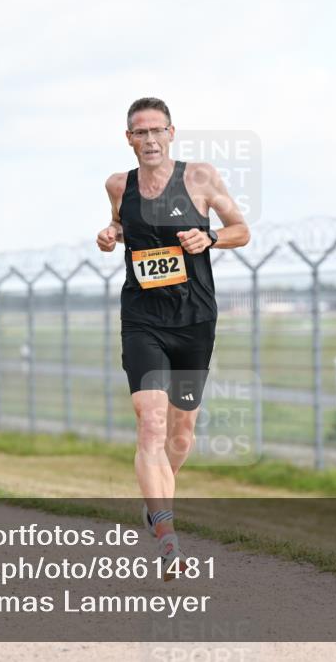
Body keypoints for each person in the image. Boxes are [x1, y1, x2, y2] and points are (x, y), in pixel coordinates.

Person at [96, 97, 250, 579]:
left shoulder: (199, 177)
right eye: (139, 133)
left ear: (171, 133)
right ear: (128, 139)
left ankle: (156, 497)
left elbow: (242, 229)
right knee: (151, 423)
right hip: (142, 316)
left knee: (181, 435)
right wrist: (110, 233)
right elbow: (126, 226)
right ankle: (167, 536)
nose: (149, 140)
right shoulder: (119, 185)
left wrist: (211, 239)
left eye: (156, 131)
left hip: (194, 320)